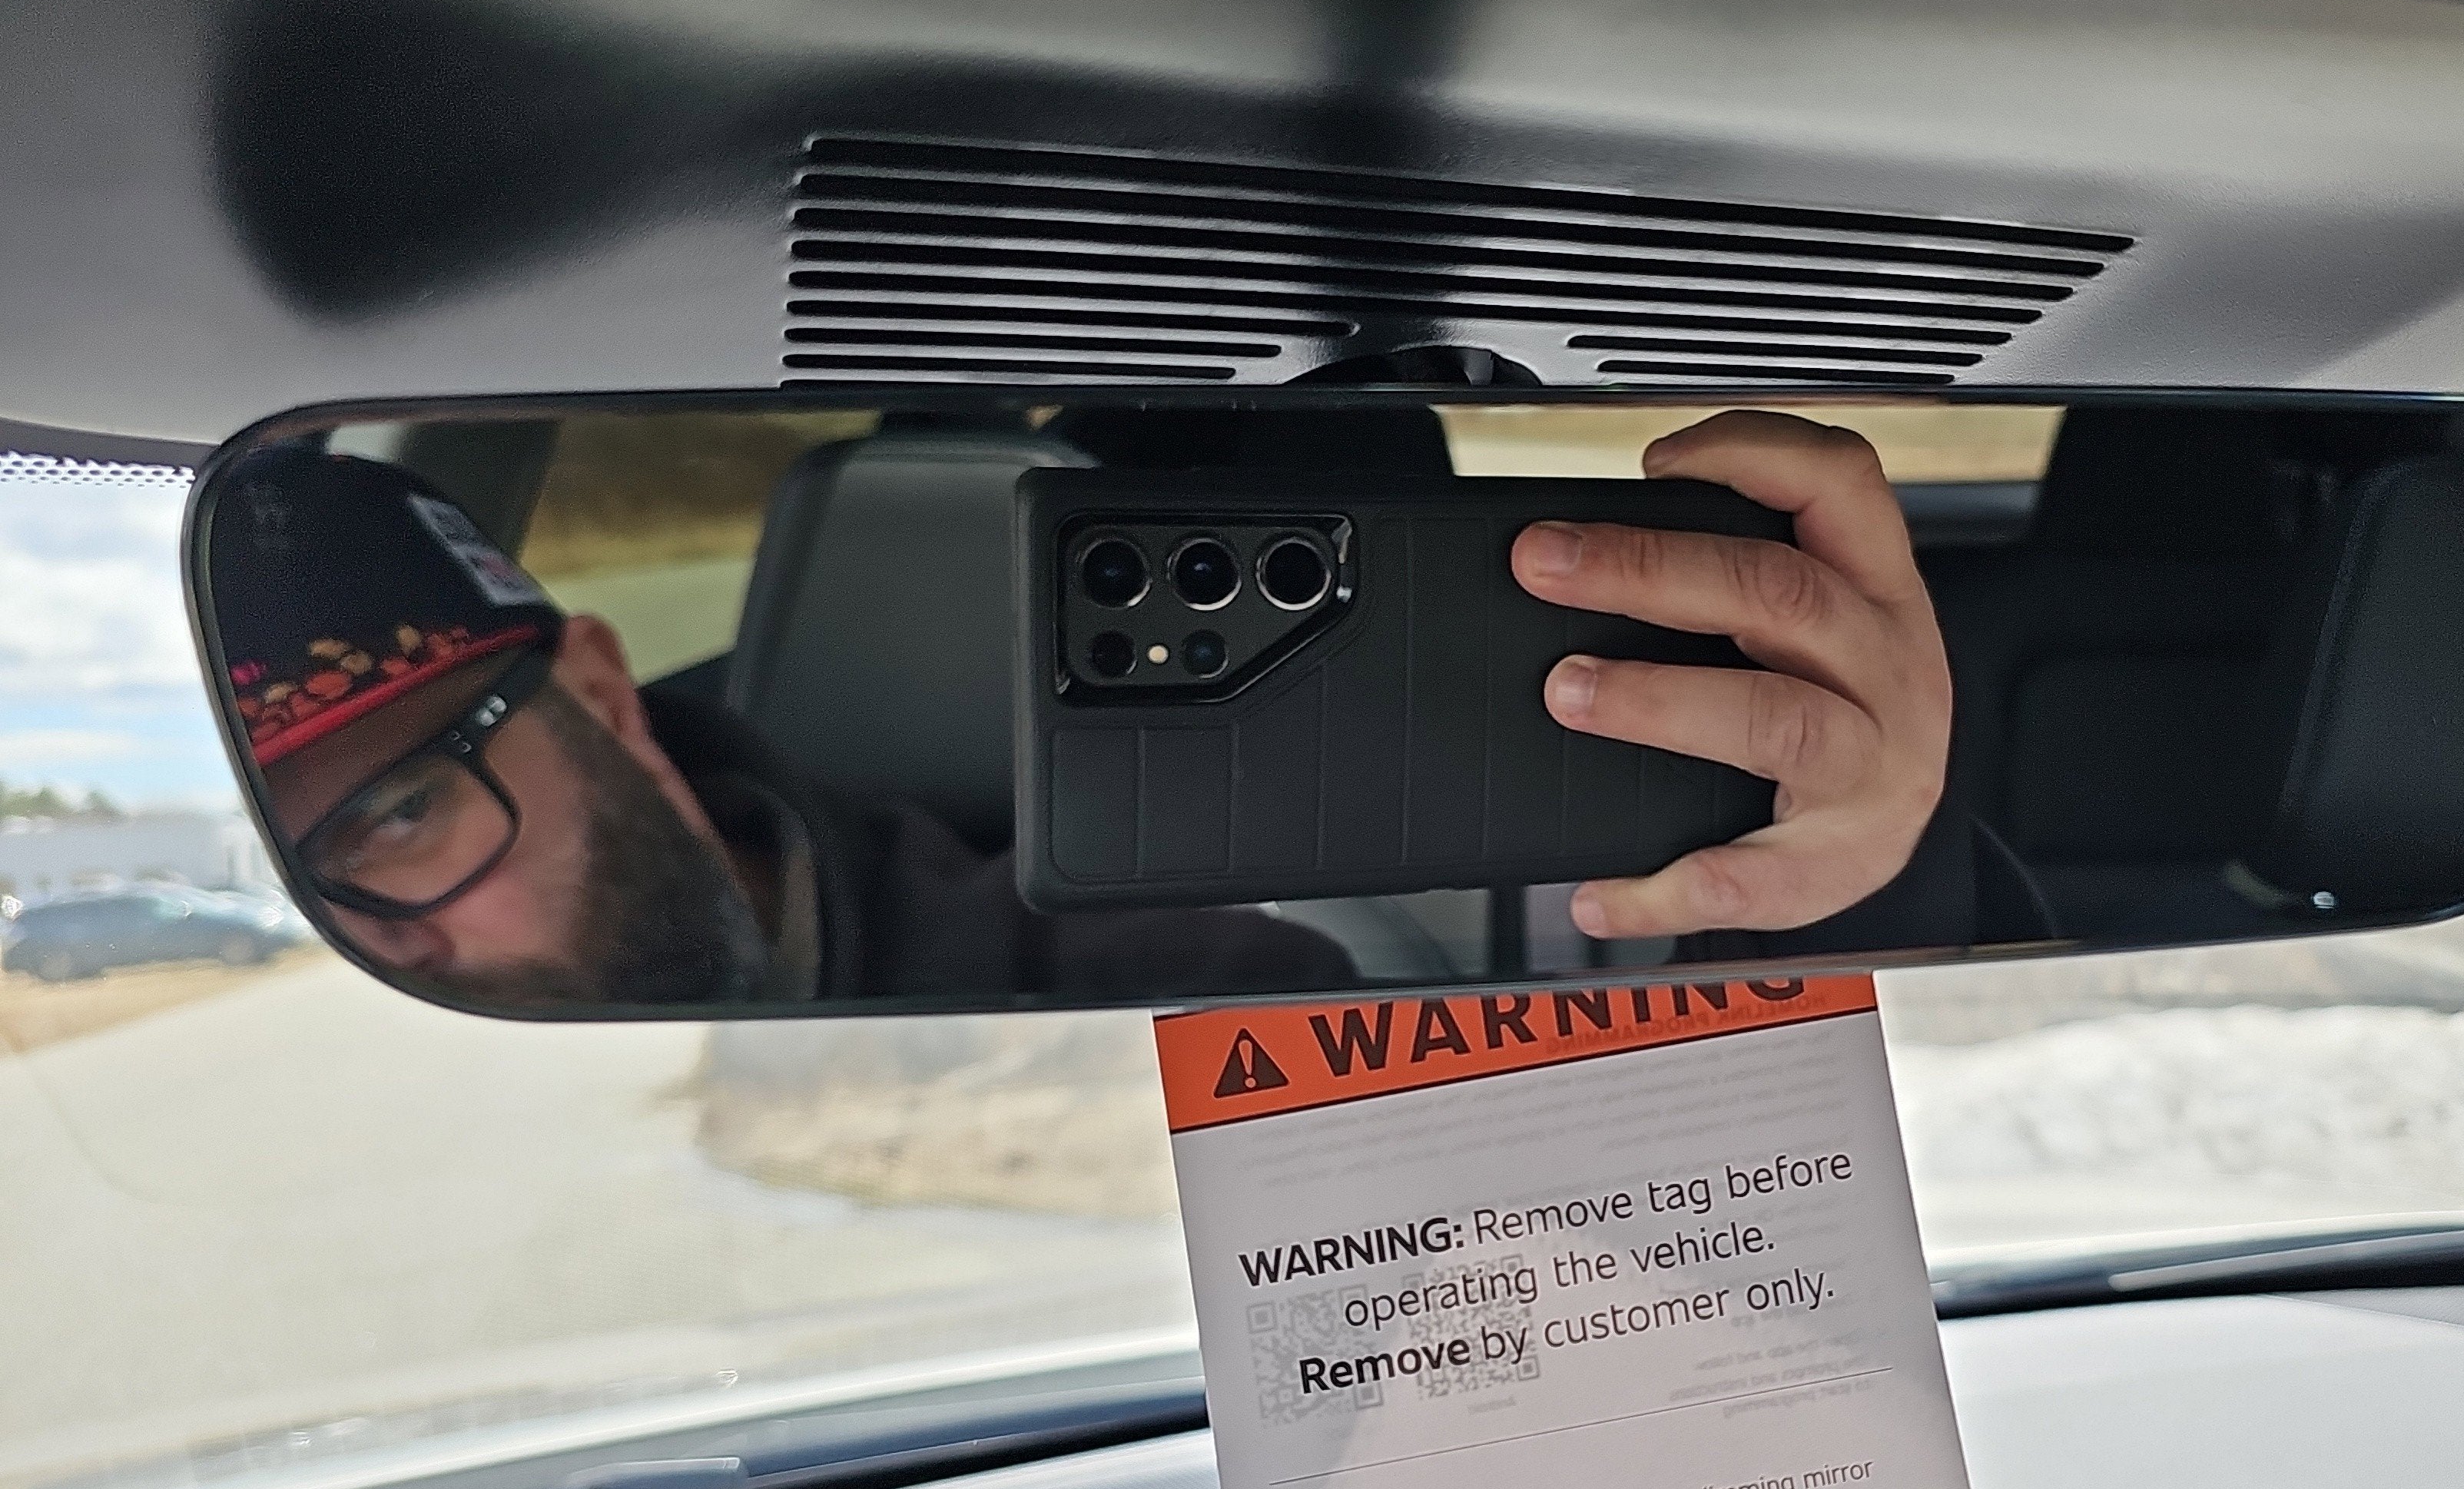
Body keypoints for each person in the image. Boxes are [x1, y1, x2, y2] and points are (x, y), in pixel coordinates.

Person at [207, 412, 2015, 1010]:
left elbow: (1643, 1274)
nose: (380, 943)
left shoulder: (1163, 991)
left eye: (400, 811)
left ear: (601, 693)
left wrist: (1866, 866)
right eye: (303, 879)